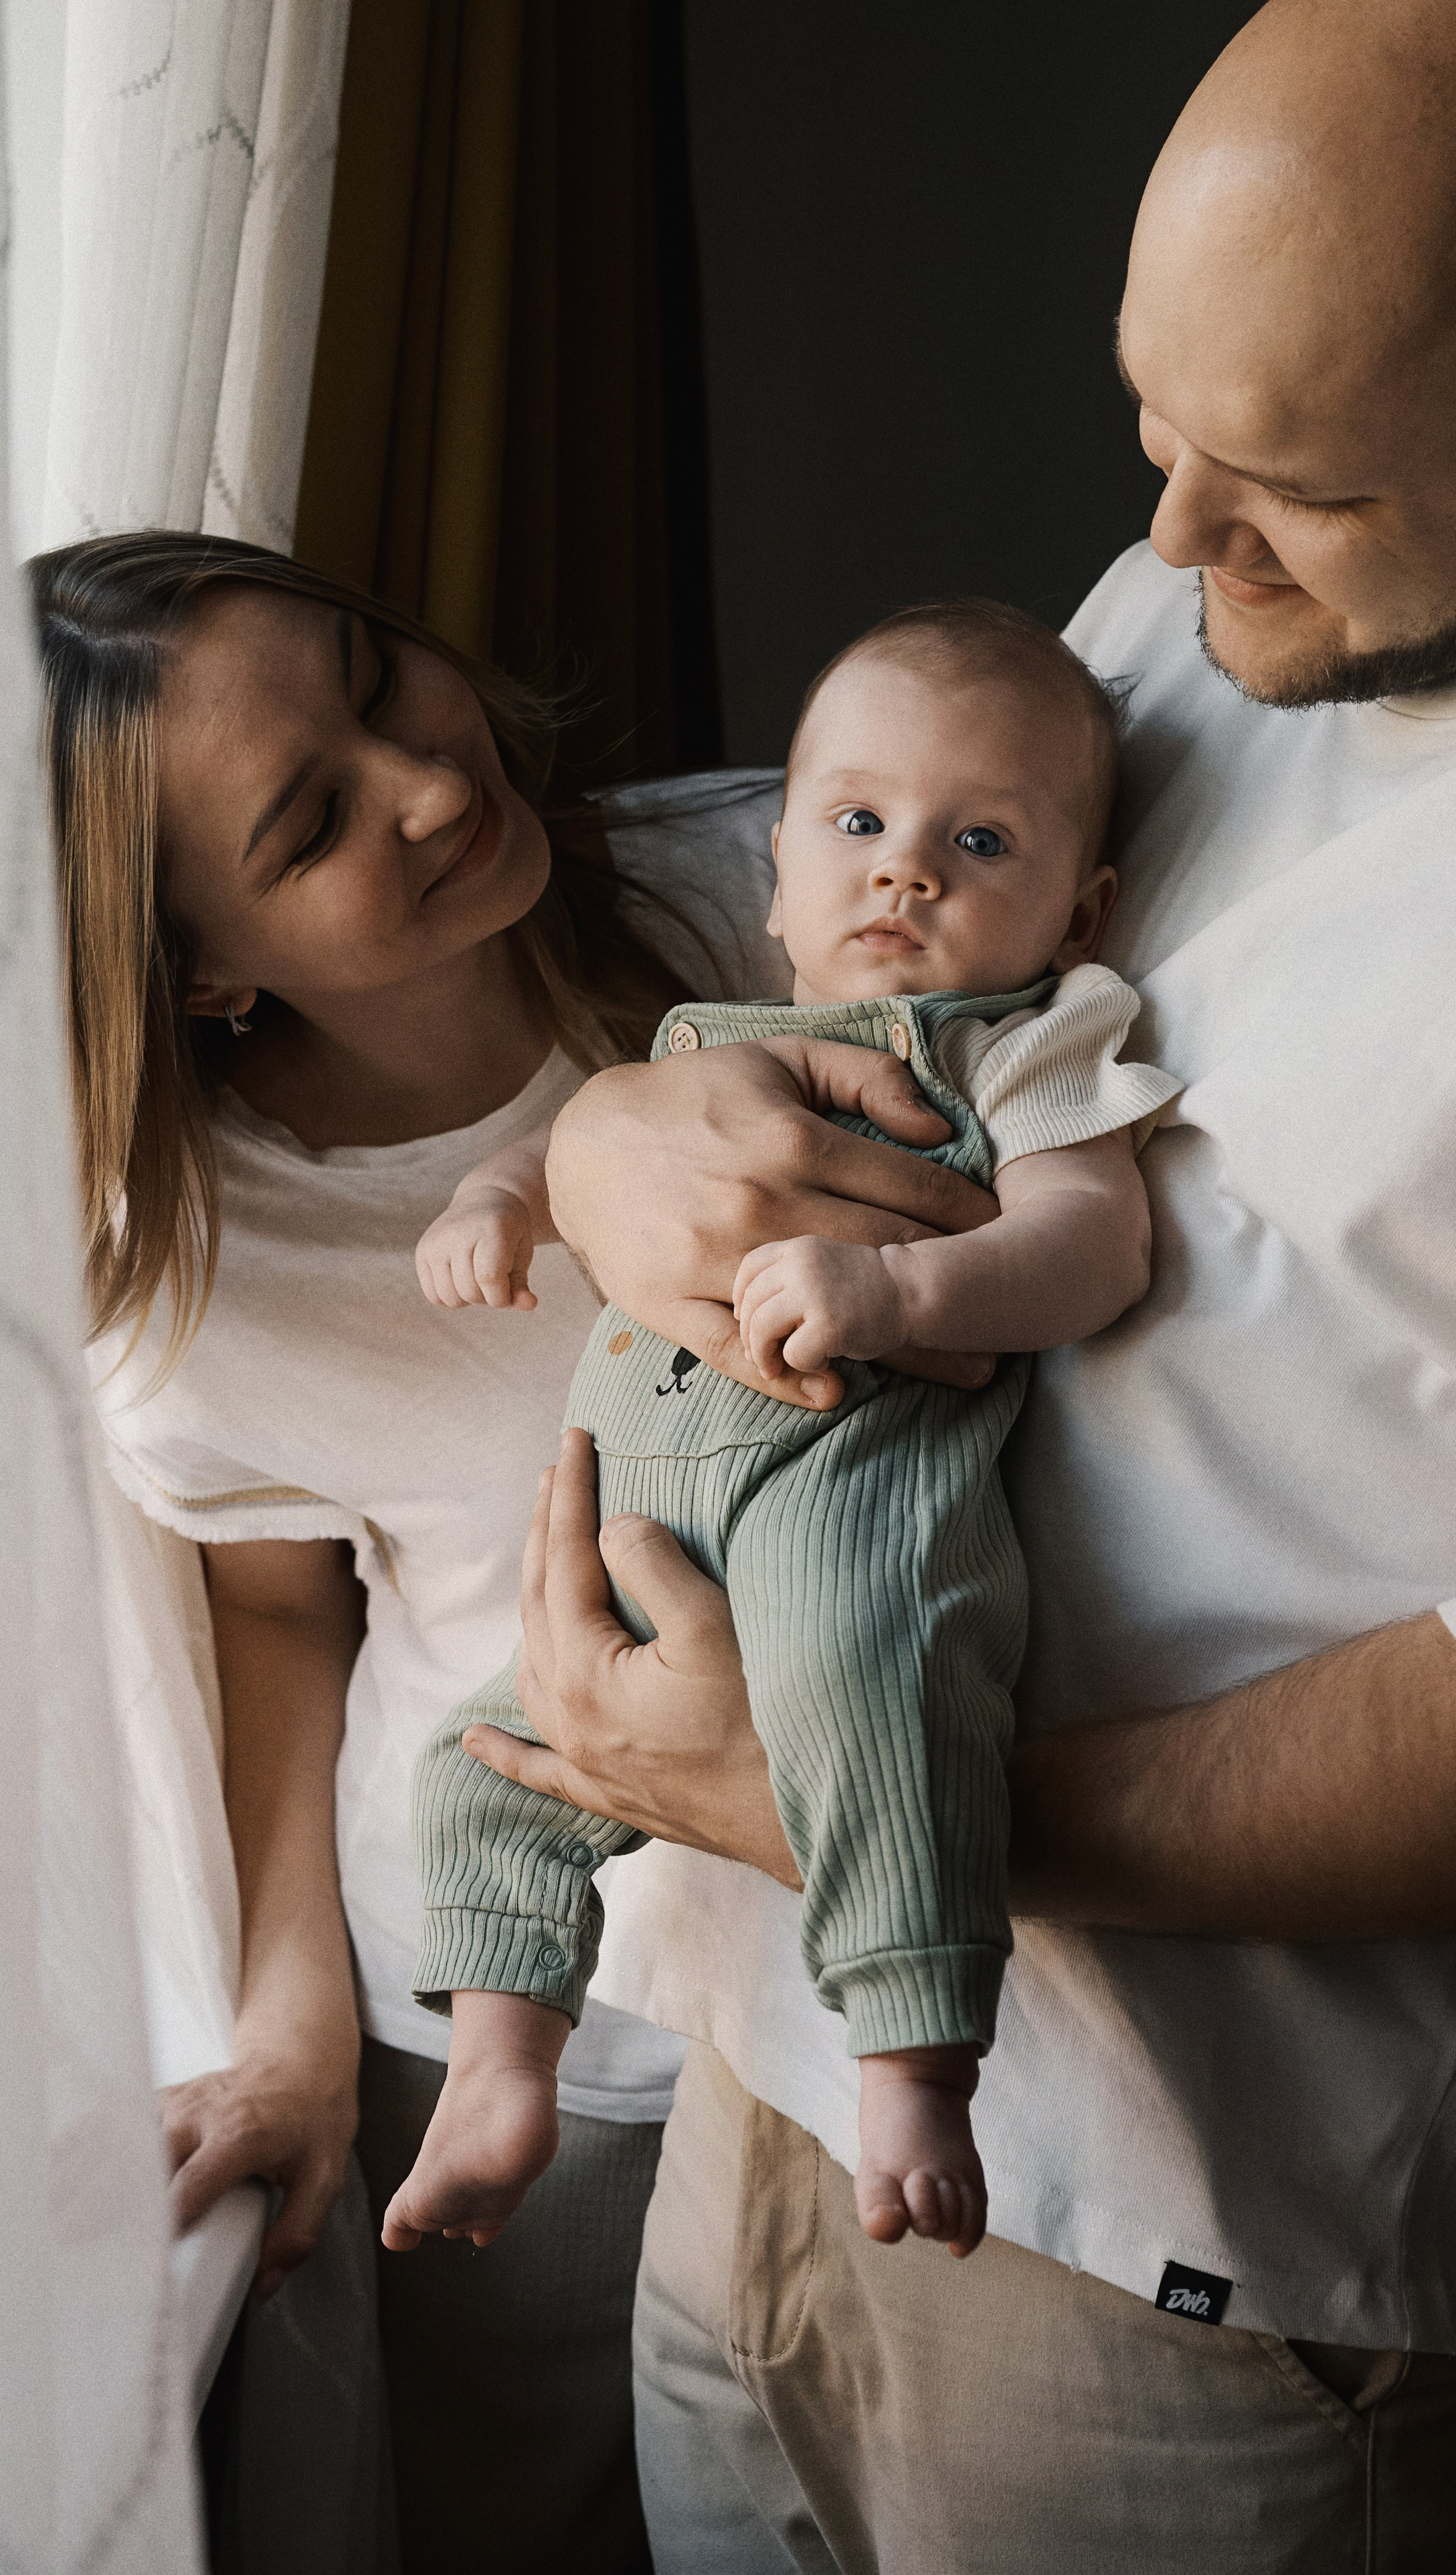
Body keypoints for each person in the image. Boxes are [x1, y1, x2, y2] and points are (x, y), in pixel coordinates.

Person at [452, 1, 1456, 2565]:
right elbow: (863, 970)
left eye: (1284, 488)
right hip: (771, 2082)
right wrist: (604, 1142)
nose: (1170, 531)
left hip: (1194, 2276)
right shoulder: (1202, 585)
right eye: (1159, 430)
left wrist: (862, 1798)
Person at [39, 533, 691, 2573]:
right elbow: (282, 1639)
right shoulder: (201, 1286)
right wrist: (298, 2043)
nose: (431, 779)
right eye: (310, 819)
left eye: (375, 677)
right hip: (530, 2018)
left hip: (930, 1947)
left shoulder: (775, 891)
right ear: (203, 966)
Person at [381, 602, 1175, 2266]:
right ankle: (498, 2063)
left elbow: (1092, 1243)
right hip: (627, 1513)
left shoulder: (1020, 1045)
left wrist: (900, 1299)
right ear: (775, 872)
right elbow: (553, 1158)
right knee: (477, 1763)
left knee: (874, 1715)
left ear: (1080, 907)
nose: (905, 875)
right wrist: (487, 1199)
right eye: (860, 824)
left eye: (980, 840)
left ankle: (912, 2067)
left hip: (849, 1490)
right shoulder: (695, 1044)